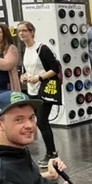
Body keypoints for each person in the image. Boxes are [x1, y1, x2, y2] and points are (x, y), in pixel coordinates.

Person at [17, 21, 61, 166]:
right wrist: (23, 76)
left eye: (24, 30)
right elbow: (27, 69)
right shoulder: (25, 50)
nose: (22, 34)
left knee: (42, 121)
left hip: (44, 88)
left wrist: (39, 77)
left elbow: (55, 68)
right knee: (40, 121)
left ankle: (51, 152)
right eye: (19, 31)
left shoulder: (42, 49)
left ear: (32, 32)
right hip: (32, 90)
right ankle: (51, 152)